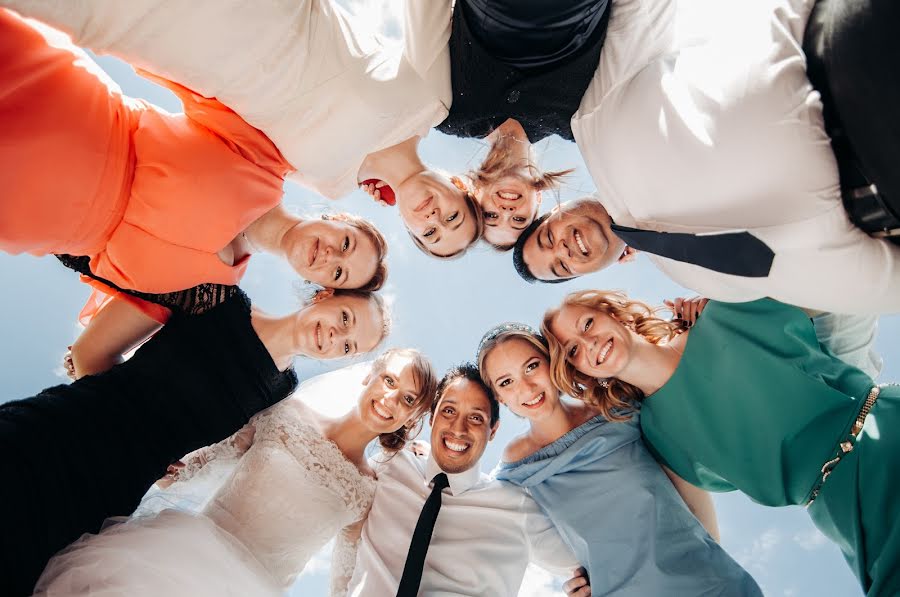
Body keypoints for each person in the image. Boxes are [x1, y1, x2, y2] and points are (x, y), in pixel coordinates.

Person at [0, 2, 487, 259]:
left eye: (429, 233)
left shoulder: (330, 185)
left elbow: (228, 153)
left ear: (408, 229)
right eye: (453, 217)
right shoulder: (431, 101)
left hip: (181, 52)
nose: (434, 218)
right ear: (459, 187)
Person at [507, 0, 900, 314]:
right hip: (882, 194)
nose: (564, 249)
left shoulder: (591, 121)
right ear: (588, 272)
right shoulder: (698, 280)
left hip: (842, 51)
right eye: (561, 266)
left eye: (547, 238)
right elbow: (804, 279)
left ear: (556, 211)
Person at [0, 285, 389, 596]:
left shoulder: (281, 392)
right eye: (345, 318)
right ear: (326, 294)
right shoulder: (218, 298)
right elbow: (91, 351)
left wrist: (164, 462)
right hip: (60, 435)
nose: (339, 336)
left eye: (349, 346)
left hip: (110, 493)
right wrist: (120, 424)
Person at [0, 11, 388, 294]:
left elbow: (100, 354)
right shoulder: (265, 157)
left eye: (339, 273)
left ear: (321, 287)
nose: (330, 256)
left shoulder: (212, 288)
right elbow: (193, 64)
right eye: (347, 244)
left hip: (32, 217)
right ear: (338, 218)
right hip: (68, 111)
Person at [542, 289, 900, 595]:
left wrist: (731, 289)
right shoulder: (659, 438)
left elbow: (841, 288)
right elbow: (699, 542)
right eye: (573, 351)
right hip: (845, 512)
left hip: (885, 428)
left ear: (612, 313)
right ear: (581, 373)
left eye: (587, 324)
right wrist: (606, 582)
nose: (589, 344)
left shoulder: (723, 312)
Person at [34, 349, 438, 597]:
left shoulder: (367, 492)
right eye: (388, 380)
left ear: (412, 417)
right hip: (175, 559)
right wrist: (158, 467)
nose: (389, 399)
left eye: (406, 399)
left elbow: (345, 577)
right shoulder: (288, 414)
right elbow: (210, 458)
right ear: (368, 375)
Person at [478, 323, 762, 596]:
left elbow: (688, 482)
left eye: (531, 366)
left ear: (551, 361)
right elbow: (499, 526)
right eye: (506, 382)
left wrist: (697, 314)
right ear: (500, 398)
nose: (526, 387)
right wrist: (572, 581)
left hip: (710, 583)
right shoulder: (514, 474)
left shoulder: (617, 410)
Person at [346, 363, 588, 596]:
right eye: (449, 411)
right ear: (432, 418)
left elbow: (592, 568)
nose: (458, 429)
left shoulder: (516, 505)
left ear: (493, 430)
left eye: (476, 418)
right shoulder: (391, 466)